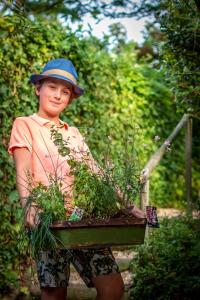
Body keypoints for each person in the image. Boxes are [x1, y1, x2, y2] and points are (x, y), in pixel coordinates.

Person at [8, 58, 145, 300]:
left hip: (83, 220)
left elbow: (96, 173)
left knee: (113, 288)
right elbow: (24, 169)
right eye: (52, 87)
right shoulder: (25, 124)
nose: (58, 95)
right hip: (48, 222)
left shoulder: (73, 133)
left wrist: (129, 207)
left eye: (66, 91)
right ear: (38, 88)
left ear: (71, 98)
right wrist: (28, 206)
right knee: (54, 292)